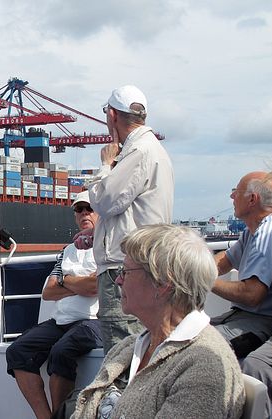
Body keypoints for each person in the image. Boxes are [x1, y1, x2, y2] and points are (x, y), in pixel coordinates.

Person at [73, 224, 245, 418]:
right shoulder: (130, 347)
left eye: (125, 271)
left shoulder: (203, 369)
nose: (118, 280)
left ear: (163, 283)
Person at [81, 85, 174, 353]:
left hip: (122, 270)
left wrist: (105, 165)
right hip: (145, 264)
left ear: (111, 114)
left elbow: (104, 201)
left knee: (120, 357)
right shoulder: (154, 150)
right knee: (141, 349)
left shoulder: (137, 152)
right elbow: (133, 210)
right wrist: (97, 234)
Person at [5, 191, 101, 419]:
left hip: (95, 321)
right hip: (61, 321)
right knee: (17, 351)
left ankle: (61, 416)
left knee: (61, 351)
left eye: (89, 208)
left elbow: (95, 286)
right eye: (79, 209)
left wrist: (65, 281)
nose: (84, 212)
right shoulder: (67, 251)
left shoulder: (108, 247)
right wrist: (79, 282)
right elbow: (48, 292)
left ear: (101, 213)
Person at [210, 172, 272, 357]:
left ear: (252, 199)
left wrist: (203, 279)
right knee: (181, 334)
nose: (232, 196)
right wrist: (196, 266)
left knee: (196, 347)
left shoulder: (268, 232)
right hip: (240, 317)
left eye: (236, 191)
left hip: (259, 324)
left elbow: (252, 294)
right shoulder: (253, 230)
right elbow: (225, 261)